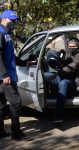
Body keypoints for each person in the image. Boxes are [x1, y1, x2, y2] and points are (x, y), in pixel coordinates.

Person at [0, 10, 29, 140]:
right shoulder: (0, 33)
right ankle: (16, 133)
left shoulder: (7, 33)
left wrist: (23, 62)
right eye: (13, 20)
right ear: (4, 19)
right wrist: (4, 74)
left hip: (7, 74)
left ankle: (0, 131)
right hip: (5, 76)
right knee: (16, 102)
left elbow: (9, 56)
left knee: (1, 104)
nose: (14, 23)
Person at [48, 37, 79, 123]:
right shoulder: (67, 52)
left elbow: (74, 65)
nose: (71, 48)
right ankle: (49, 99)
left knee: (63, 84)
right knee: (47, 77)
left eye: (73, 47)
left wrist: (60, 71)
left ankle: (58, 115)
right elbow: (62, 58)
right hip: (62, 76)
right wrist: (60, 54)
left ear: (78, 46)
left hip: (73, 80)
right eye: (69, 46)